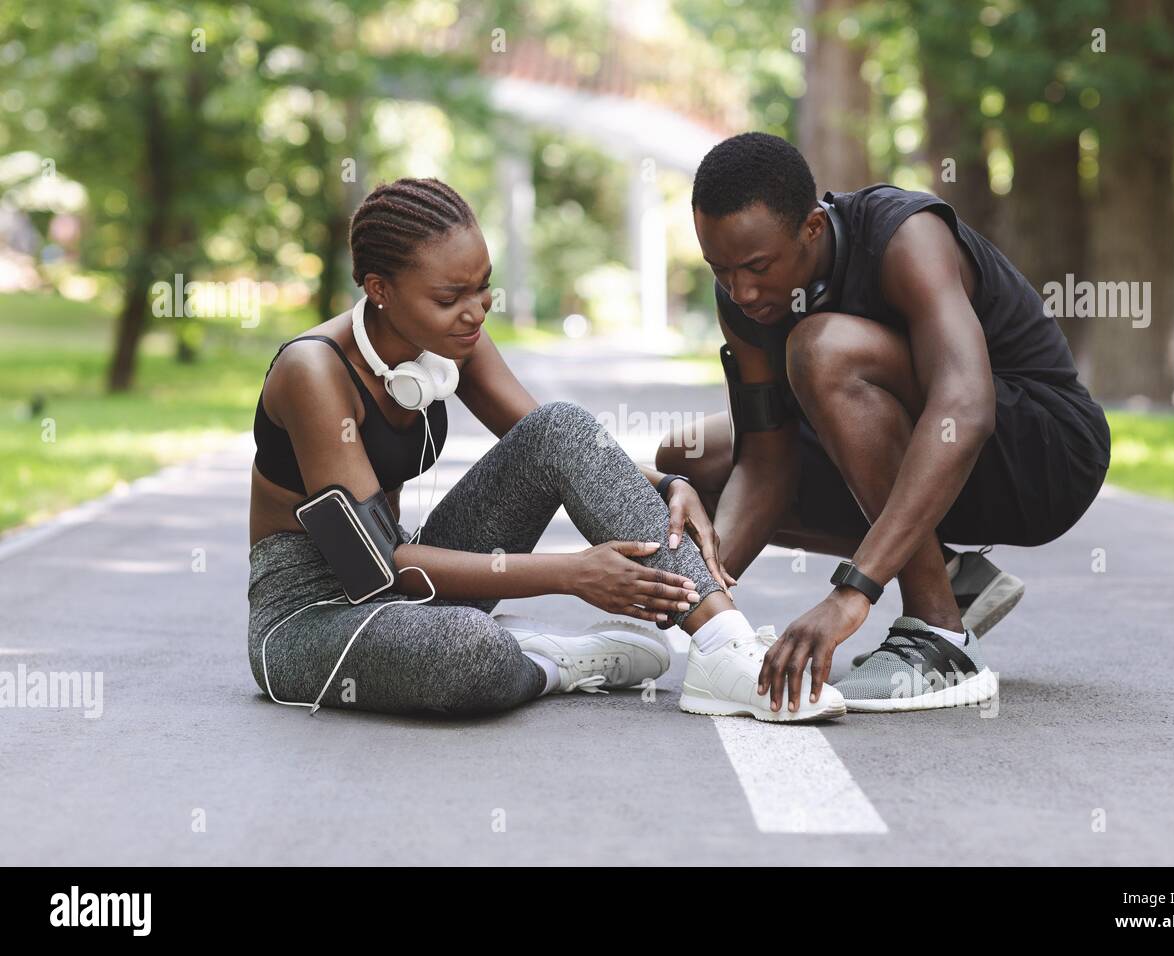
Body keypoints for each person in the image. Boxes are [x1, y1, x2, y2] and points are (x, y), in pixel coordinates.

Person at [246, 176, 844, 722]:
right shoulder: (313, 373)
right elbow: (371, 568)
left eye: (483, 288)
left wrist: (664, 486)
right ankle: (556, 660)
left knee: (560, 423)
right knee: (466, 653)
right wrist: (570, 575)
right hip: (314, 617)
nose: (475, 311)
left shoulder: (452, 339)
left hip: (412, 586)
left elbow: (557, 444)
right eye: (450, 296)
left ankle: (722, 647)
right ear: (379, 289)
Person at [657, 132, 1111, 714]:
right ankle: (949, 576)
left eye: (757, 267)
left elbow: (965, 409)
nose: (741, 291)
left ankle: (939, 634)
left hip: (1041, 454)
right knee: (691, 461)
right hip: (929, 466)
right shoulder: (744, 301)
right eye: (720, 270)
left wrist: (853, 591)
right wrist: (698, 609)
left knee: (820, 349)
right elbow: (767, 461)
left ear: (813, 229)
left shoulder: (904, 235)